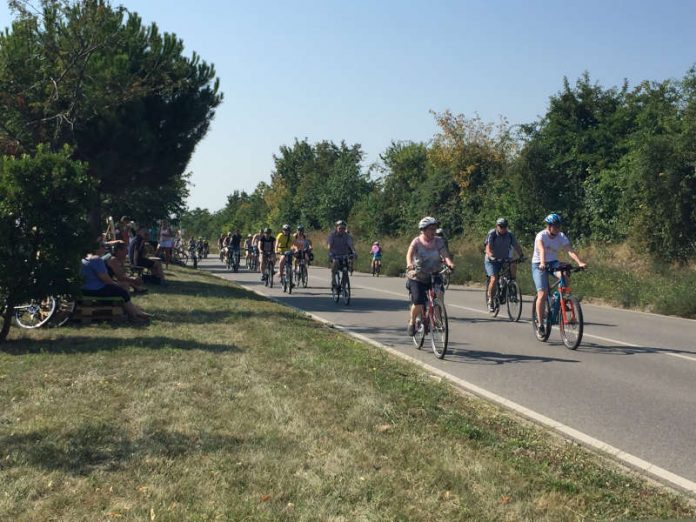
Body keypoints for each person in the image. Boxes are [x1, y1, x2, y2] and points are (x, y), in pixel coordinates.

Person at [532, 213, 587, 335]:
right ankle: (541, 324)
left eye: (558, 226)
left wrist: (579, 262)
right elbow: (541, 250)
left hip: (553, 263)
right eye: (555, 226)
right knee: (542, 293)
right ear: (549, 226)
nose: (557, 228)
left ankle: (560, 298)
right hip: (538, 264)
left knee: (565, 276)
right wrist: (542, 263)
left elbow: (569, 250)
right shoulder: (541, 235)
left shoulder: (560, 236)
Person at [405, 217, 455, 336]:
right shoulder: (416, 241)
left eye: (434, 228)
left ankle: (437, 320)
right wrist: (410, 265)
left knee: (439, 295)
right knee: (418, 302)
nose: (433, 231)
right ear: (423, 230)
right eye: (431, 229)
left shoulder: (438, 241)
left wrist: (450, 263)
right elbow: (409, 254)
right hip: (418, 276)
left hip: (435, 273)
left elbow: (444, 254)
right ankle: (412, 321)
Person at [81, 238, 151, 321]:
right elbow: (106, 279)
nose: (105, 248)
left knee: (121, 288)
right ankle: (134, 315)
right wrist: (117, 285)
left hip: (84, 288)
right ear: (96, 248)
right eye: (102, 246)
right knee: (122, 292)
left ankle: (135, 311)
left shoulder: (86, 257)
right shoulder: (97, 259)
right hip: (94, 289)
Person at [484, 218, 524, 312]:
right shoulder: (492, 234)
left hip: (504, 259)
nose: (503, 229)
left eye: (505, 227)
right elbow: (488, 248)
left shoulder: (509, 235)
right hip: (492, 260)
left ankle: (512, 288)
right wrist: (491, 256)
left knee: (513, 265)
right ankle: (491, 300)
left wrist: (521, 255)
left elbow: (516, 246)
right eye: (501, 227)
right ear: (497, 226)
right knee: (494, 279)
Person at [327, 220, 355, 288]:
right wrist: (330, 252)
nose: (342, 230)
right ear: (336, 228)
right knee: (335, 264)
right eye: (340, 228)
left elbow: (351, 245)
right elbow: (329, 246)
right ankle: (334, 280)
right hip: (334, 255)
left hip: (344, 255)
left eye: (343, 228)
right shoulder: (332, 235)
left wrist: (354, 252)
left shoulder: (347, 236)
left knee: (345, 269)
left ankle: (344, 284)